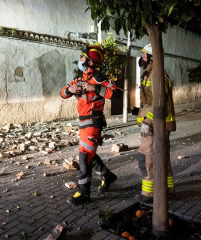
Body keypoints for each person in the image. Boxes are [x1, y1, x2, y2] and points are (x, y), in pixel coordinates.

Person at [60, 45, 123, 205]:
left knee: (84, 156)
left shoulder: (98, 79)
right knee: (88, 153)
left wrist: (94, 87)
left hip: (93, 121)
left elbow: (117, 94)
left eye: (83, 57)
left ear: (90, 61)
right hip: (83, 121)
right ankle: (107, 176)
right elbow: (62, 93)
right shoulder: (80, 78)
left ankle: (84, 192)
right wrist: (70, 89)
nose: (80, 60)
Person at [136, 44, 176, 203]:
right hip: (160, 124)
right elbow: (148, 101)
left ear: (151, 57)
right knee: (162, 156)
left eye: (144, 54)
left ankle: (149, 193)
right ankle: (168, 189)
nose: (142, 57)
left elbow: (159, 102)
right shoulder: (151, 73)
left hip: (156, 125)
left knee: (146, 156)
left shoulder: (157, 75)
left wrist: (147, 122)